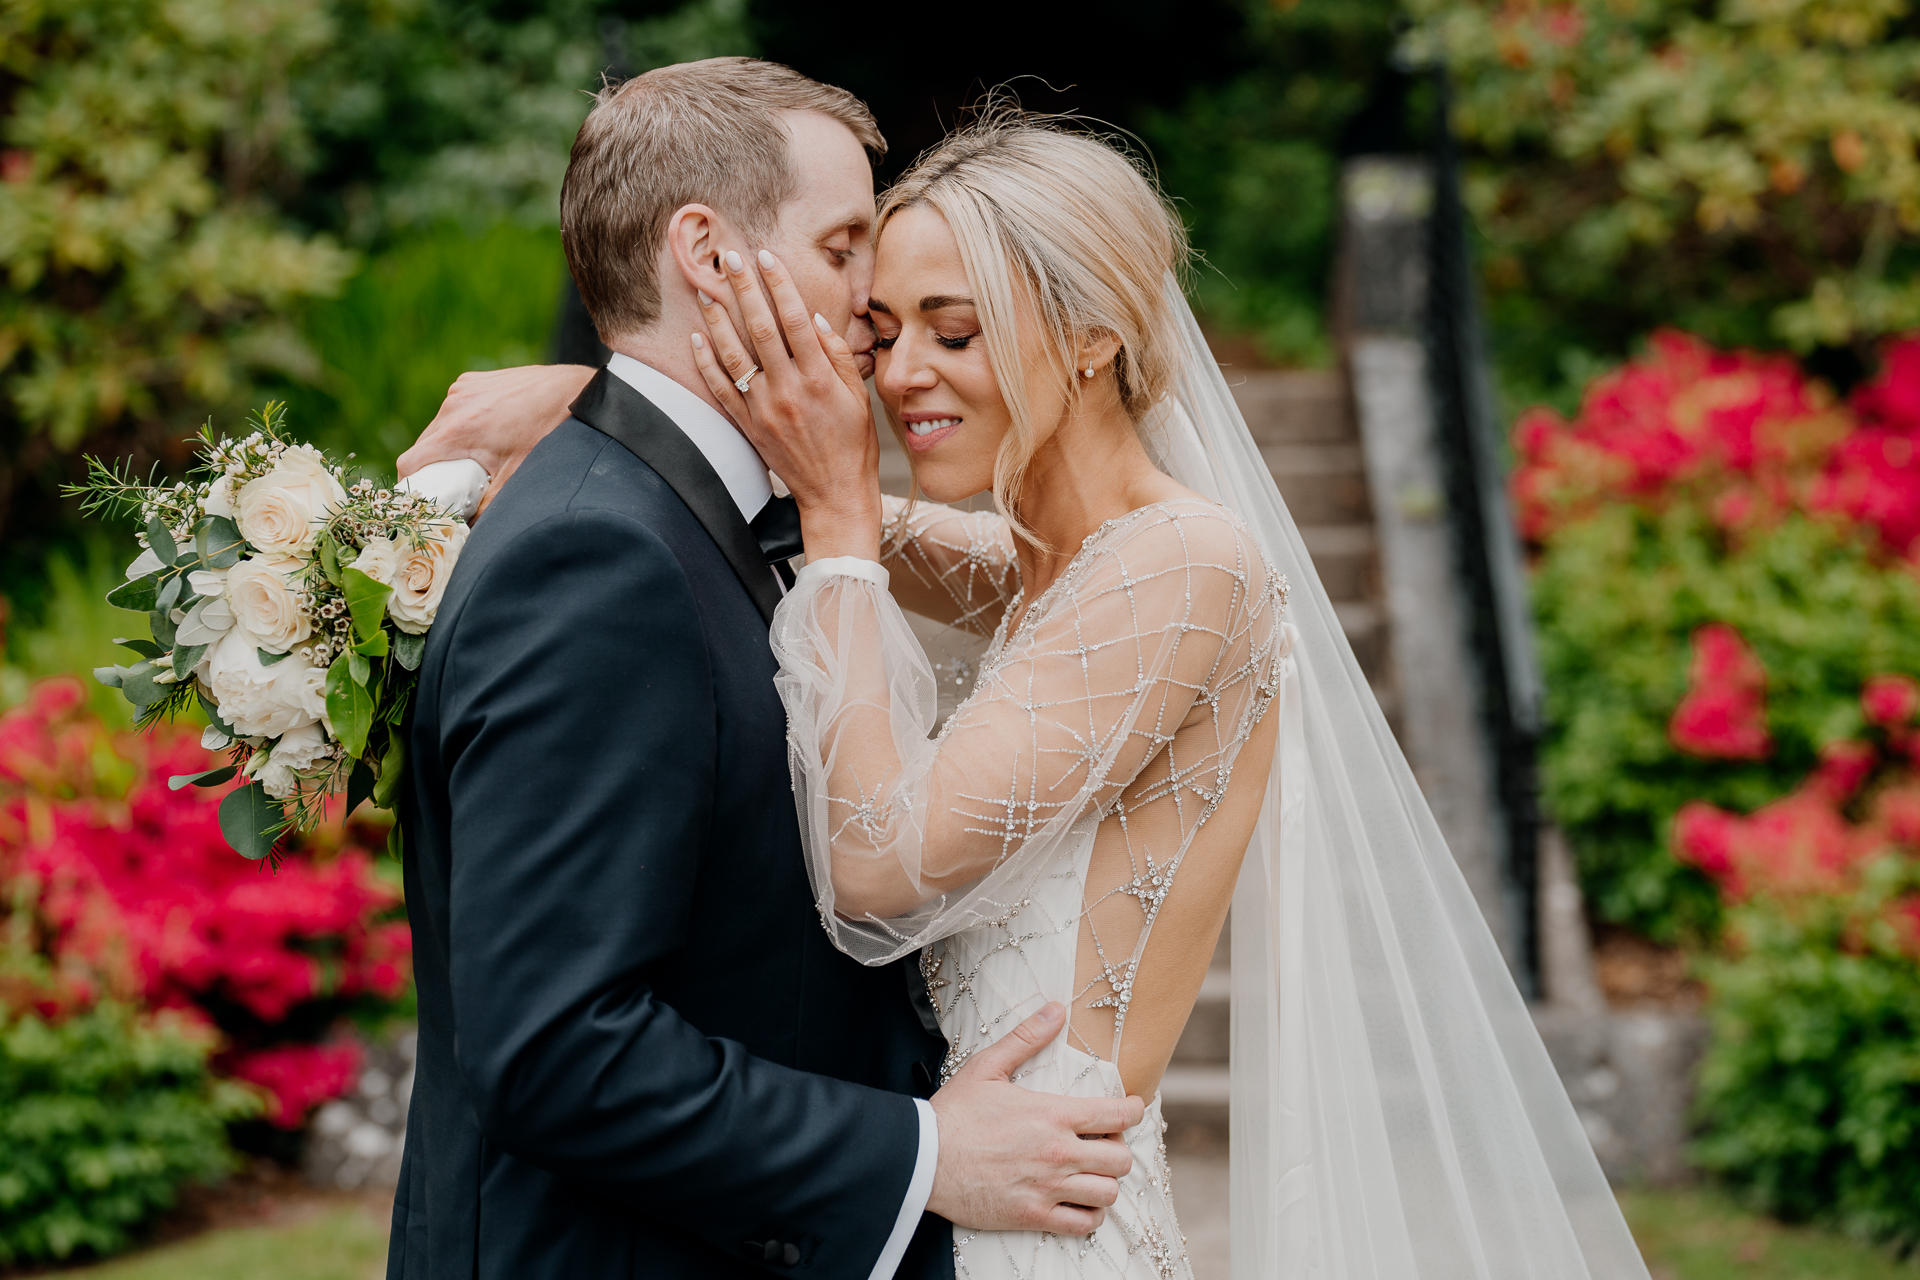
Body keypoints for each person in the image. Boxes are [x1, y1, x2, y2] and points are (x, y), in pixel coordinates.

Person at [409, 108, 1655, 1280]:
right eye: (883, 329)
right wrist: (594, 396)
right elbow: (798, 492)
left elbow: (878, 868)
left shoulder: (1185, 567)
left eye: (956, 332)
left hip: (1040, 1221)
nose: (900, 378)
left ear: (1095, 333)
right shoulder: (1045, 565)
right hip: (968, 1201)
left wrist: (843, 523)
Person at [389, 61, 1148, 1280]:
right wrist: (917, 1152)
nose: (874, 305)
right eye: (845, 247)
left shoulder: (689, 513)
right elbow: (557, 1048)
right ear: (708, 252)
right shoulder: (599, 556)